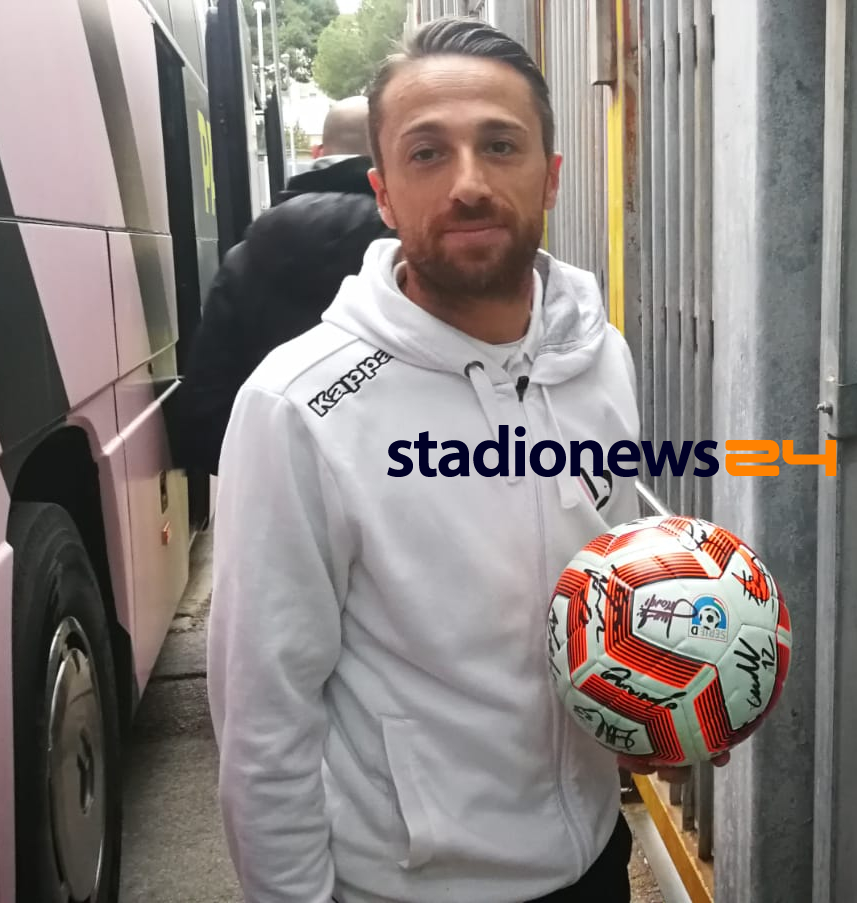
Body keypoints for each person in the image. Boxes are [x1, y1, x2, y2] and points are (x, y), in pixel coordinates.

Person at [205, 16, 723, 903]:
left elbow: (609, 591)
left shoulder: (599, 355)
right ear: (383, 192)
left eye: (500, 144)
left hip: (593, 860)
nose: (470, 183)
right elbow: (264, 721)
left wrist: (661, 693)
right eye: (427, 153)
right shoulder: (299, 406)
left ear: (550, 175)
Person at [169, 95, 393, 475]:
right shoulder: (420, 249)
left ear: (318, 152)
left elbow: (205, 412)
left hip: (277, 478)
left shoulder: (247, 255)